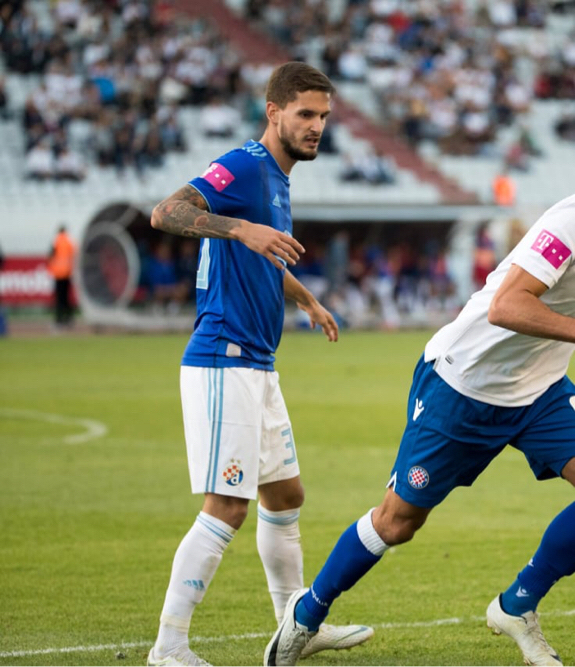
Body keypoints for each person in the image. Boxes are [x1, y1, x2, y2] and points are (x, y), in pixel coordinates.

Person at [264, 140, 575, 666]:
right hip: (463, 384)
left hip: (539, 389)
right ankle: (306, 614)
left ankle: (517, 605)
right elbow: (507, 306)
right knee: (397, 521)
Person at [146, 62, 373, 667]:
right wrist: (241, 228)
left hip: (257, 363)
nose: (317, 126)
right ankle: (169, 647)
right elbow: (165, 212)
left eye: (324, 116)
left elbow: (265, 258)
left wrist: (307, 300)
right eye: (305, 114)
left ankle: (293, 627)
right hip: (223, 358)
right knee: (227, 506)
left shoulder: (277, 179)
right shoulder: (245, 166)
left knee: (286, 495)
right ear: (273, 112)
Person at [47, 224, 76, 329]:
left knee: (59, 298)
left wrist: (51, 269)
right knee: (66, 297)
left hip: (58, 274)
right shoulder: (70, 241)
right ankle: (69, 318)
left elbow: (50, 255)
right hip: (68, 273)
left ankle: (59, 320)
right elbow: (75, 255)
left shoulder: (56, 241)